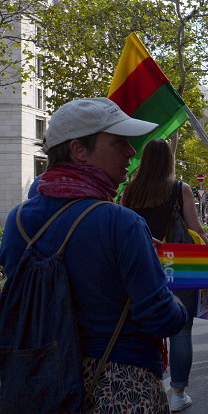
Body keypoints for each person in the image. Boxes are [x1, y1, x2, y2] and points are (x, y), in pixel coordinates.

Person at [0, 97, 187, 413]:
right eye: (118, 143)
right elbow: (160, 318)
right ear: (78, 150)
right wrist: (179, 305)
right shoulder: (121, 222)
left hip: (41, 384)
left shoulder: (17, 222)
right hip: (120, 387)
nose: (131, 153)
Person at [120, 138, 208, 412]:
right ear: (169, 161)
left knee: (141, 327)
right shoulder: (179, 189)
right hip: (177, 268)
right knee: (181, 329)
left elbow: (123, 226)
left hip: (140, 266)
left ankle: (147, 385)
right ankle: (178, 393)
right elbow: (196, 230)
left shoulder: (130, 190)